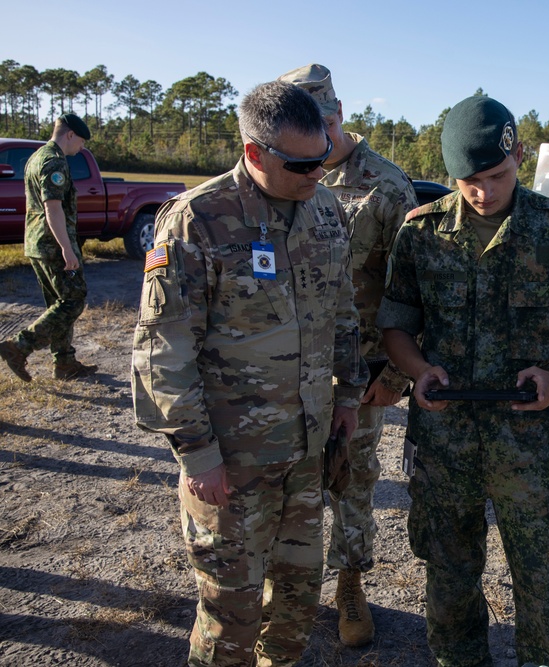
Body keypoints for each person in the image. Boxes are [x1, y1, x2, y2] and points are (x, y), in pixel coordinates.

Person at [130, 81, 368, 667]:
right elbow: (164, 350)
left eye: (324, 155)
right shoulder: (198, 221)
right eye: (303, 162)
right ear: (255, 151)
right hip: (231, 466)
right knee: (229, 620)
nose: (318, 171)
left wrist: (348, 395)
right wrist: (196, 453)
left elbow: (342, 310)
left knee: (295, 609)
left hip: (307, 456)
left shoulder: (326, 209)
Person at [376, 95, 549, 667]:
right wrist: (418, 371)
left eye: (497, 175)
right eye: (468, 180)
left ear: (520, 157)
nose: (483, 191)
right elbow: (395, 326)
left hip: (527, 442)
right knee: (450, 576)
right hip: (444, 441)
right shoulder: (421, 233)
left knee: (544, 579)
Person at [277, 63, 419, 647]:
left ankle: (350, 584)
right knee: (289, 480)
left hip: (359, 370)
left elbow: (413, 291)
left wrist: (394, 378)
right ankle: (288, 588)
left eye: (319, 128)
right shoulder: (281, 177)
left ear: (337, 116)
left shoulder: (387, 186)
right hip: (288, 371)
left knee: (355, 479)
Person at [0, 113, 97, 382]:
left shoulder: (35, 157)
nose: (82, 148)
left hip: (37, 242)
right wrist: (67, 249)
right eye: (81, 141)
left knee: (58, 303)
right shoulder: (54, 161)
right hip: (53, 244)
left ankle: (64, 363)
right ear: (69, 135)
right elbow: (52, 207)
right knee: (73, 300)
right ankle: (19, 347)